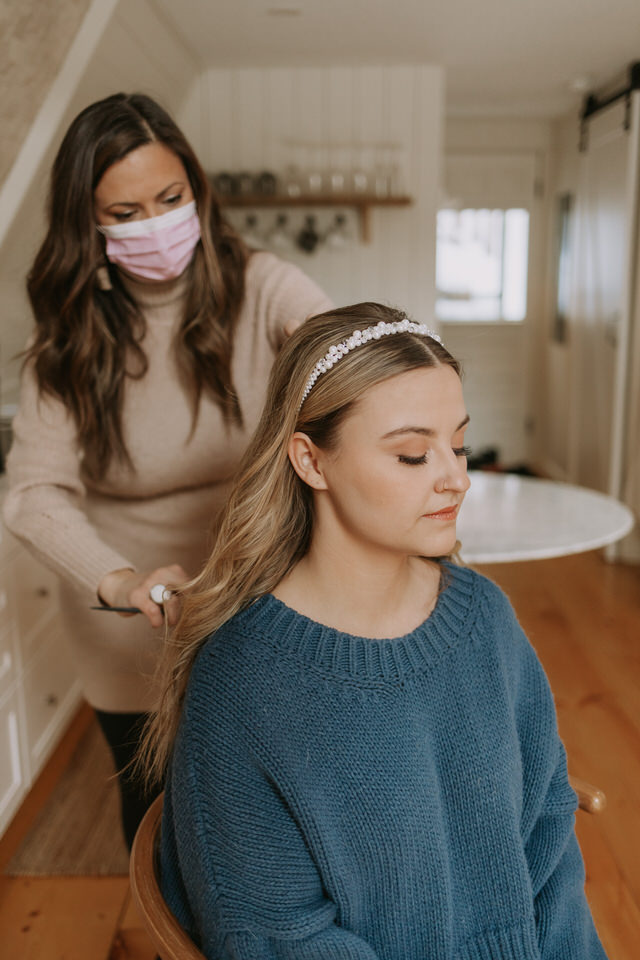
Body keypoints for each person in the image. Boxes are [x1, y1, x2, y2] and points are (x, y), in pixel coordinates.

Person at [143, 302, 607, 959]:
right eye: (414, 454)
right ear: (311, 461)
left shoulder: (485, 618)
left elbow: (548, 842)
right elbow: (278, 936)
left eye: (460, 444)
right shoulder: (242, 684)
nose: (457, 478)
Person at [2, 92, 332, 850]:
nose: (154, 223)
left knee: (271, 808)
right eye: (123, 212)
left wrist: (347, 364)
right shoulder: (66, 342)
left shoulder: (263, 286)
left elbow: (334, 344)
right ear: (87, 223)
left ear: (198, 191)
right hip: (131, 613)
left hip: (259, 594)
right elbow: (32, 496)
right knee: (157, 818)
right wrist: (121, 583)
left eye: (170, 198)